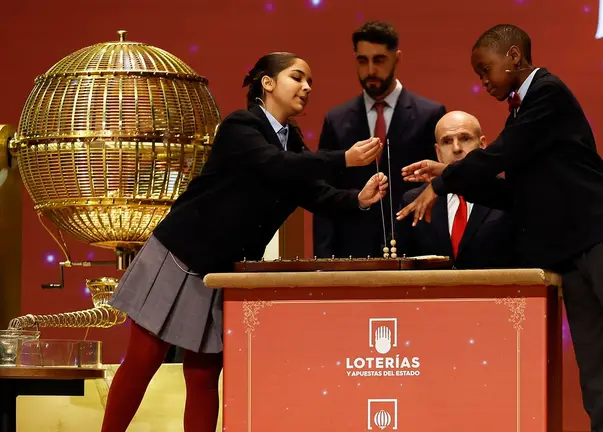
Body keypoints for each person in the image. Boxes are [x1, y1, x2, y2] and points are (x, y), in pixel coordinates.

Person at [397, 25, 603, 432]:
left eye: (486, 70)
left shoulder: (547, 94)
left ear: (514, 57)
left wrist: (443, 181)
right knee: (597, 373)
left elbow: (500, 153)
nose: (482, 81)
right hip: (569, 255)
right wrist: (451, 173)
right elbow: (513, 196)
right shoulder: (520, 111)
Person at [101, 52, 388, 432]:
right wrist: (344, 160)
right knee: (143, 360)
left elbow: (313, 193)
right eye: (297, 78)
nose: (306, 88)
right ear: (267, 83)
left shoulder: (294, 142)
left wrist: (357, 199)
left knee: (204, 375)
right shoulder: (241, 126)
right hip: (180, 256)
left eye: (310, 83)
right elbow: (274, 165)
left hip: (221, 272)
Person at [313, 21, 446, 259]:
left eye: (379, 60)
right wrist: (323, 257)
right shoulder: (336, 120)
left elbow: (438, 186)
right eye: (362, 60)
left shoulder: (430, 115)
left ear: (397, 58)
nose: (371, 70)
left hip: (415, 247)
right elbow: (324, 192)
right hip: (351, 251)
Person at [397, 110, 519, 269]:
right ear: (437, 152)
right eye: (447, 141)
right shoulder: (414, 201)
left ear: (482, 145)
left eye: (465, 139)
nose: (456, 148)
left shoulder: (508, 194)